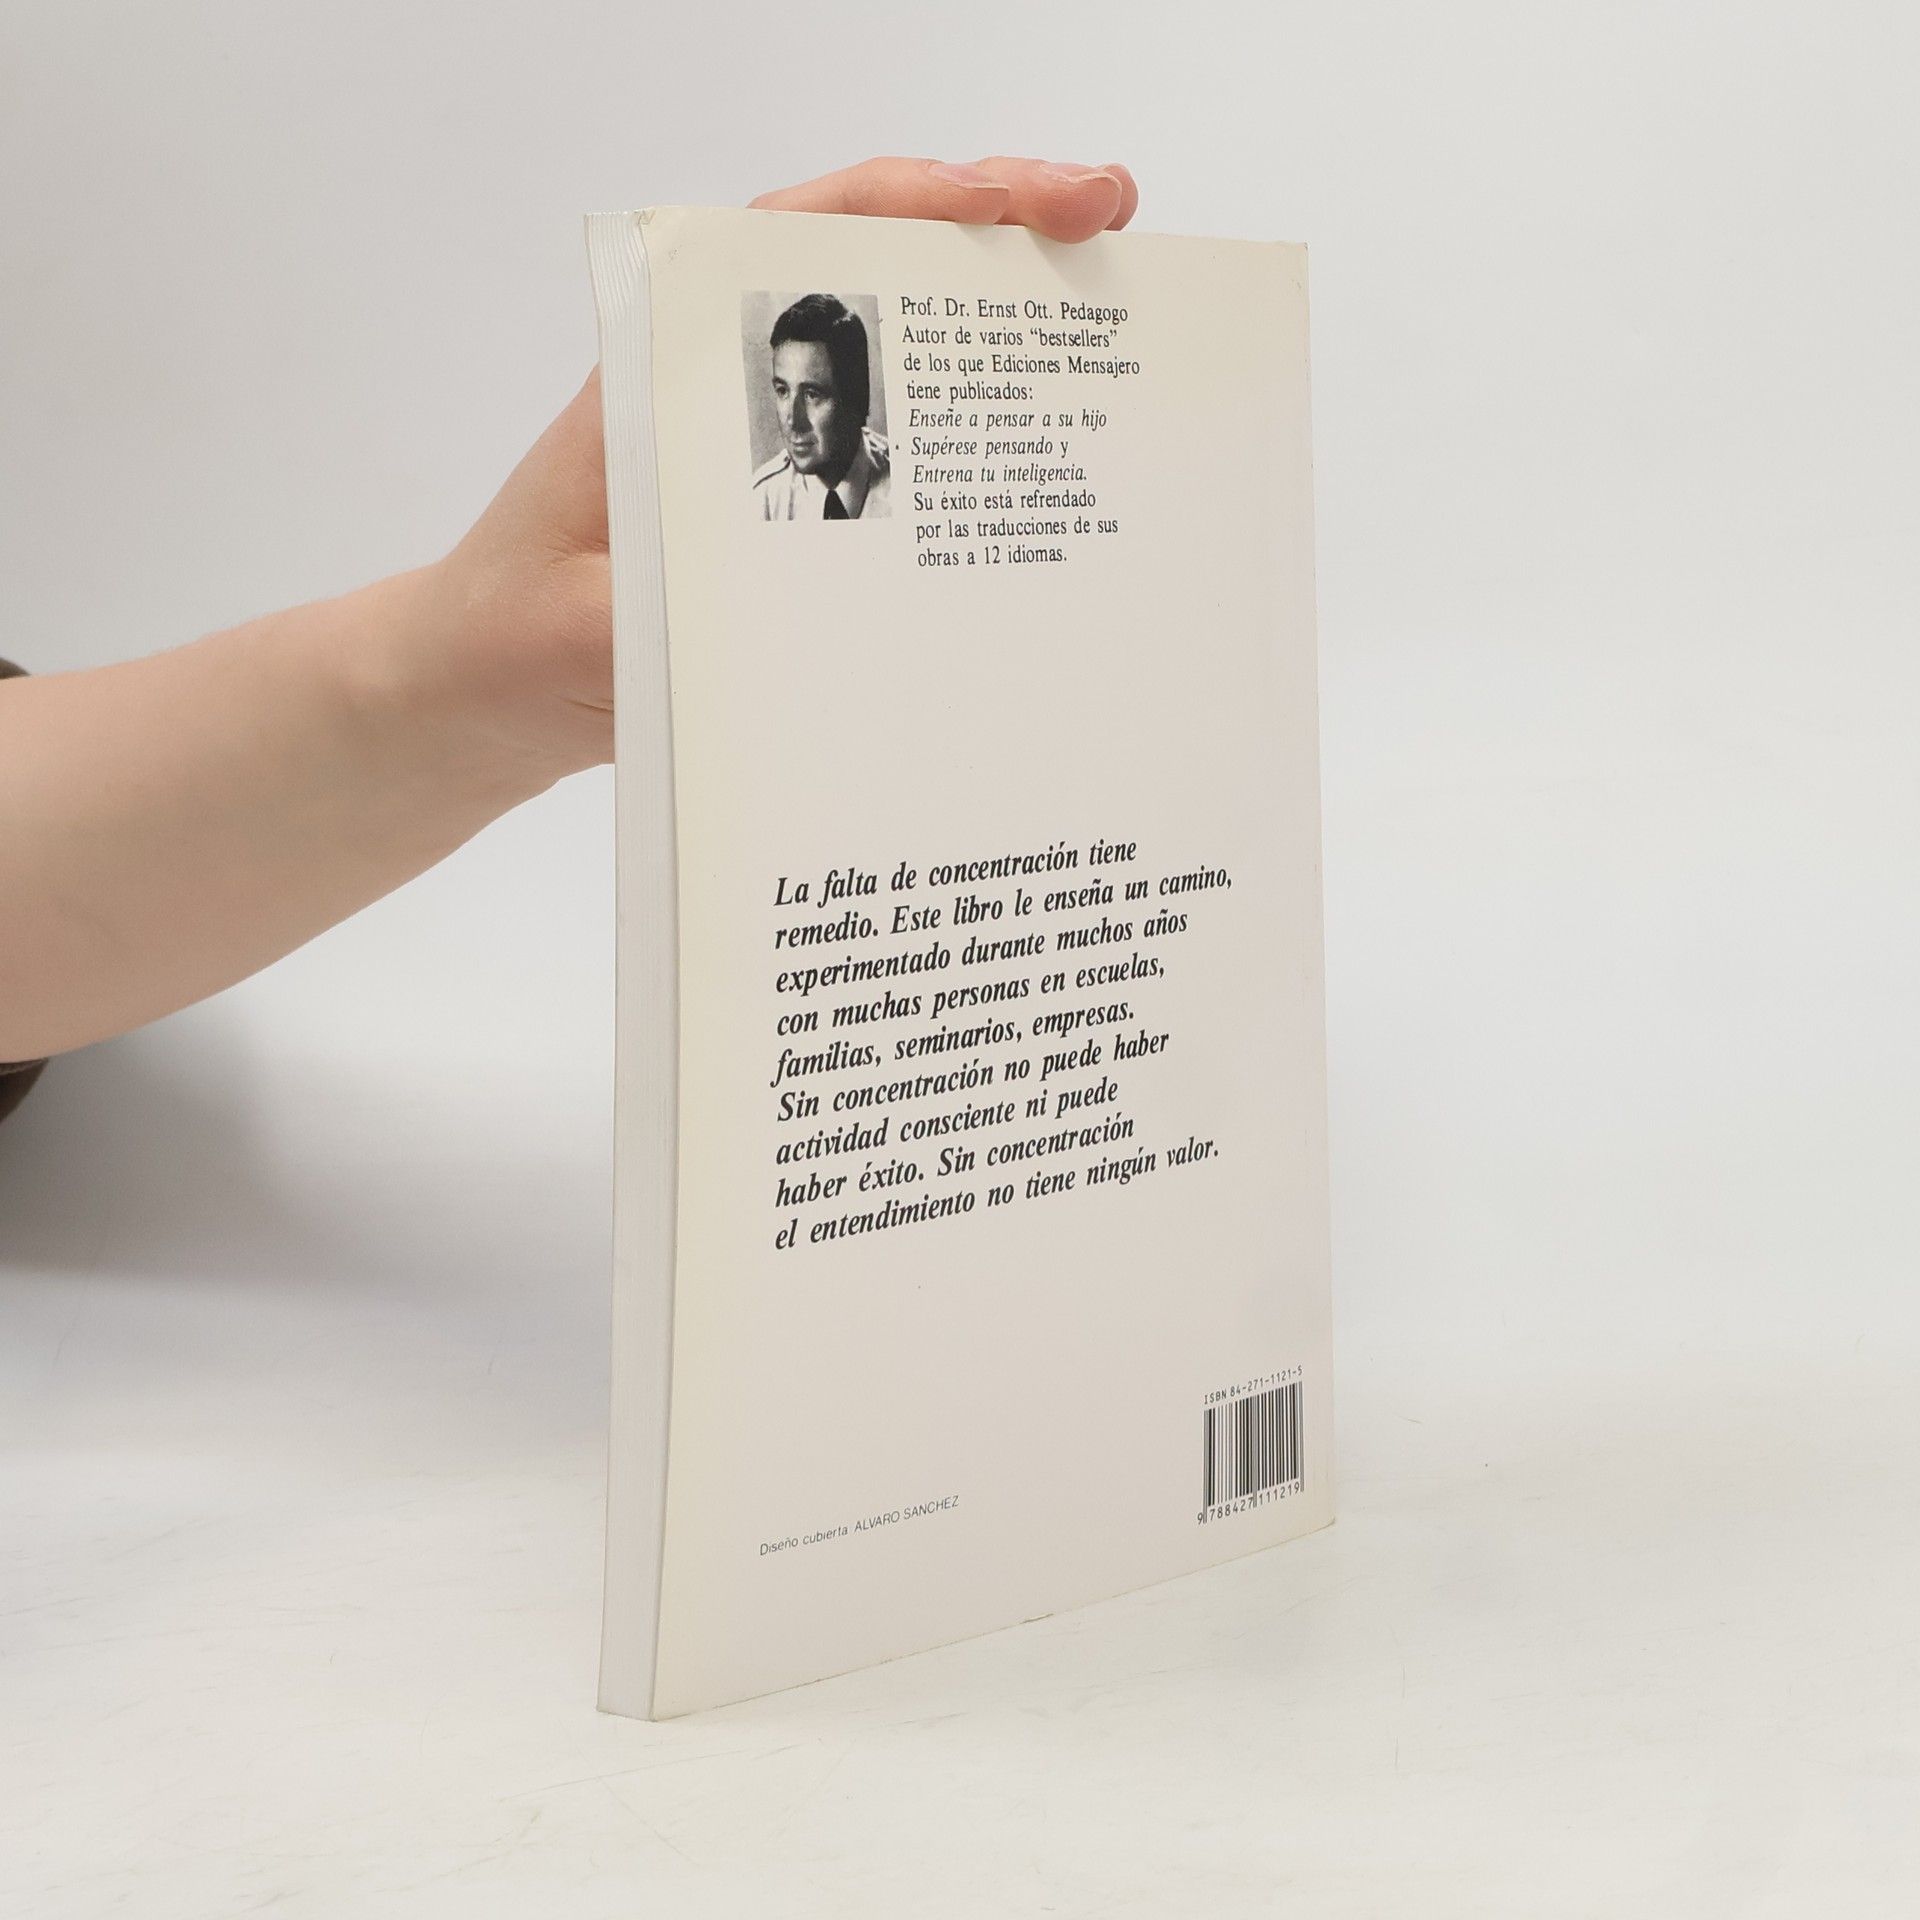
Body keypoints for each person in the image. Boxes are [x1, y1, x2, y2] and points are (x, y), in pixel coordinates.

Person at [0, 156, 1138, 1114]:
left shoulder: (902, 501)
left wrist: (452, 681)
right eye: (781, 391)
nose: (796, 418)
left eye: (821, 394)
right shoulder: (764, 505)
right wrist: (454, 680)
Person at [752, 293, 890, 520]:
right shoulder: (763, 499)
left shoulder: (902, 482)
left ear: (855, 397)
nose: (793, 421)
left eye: (811, 394)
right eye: (783, 391)